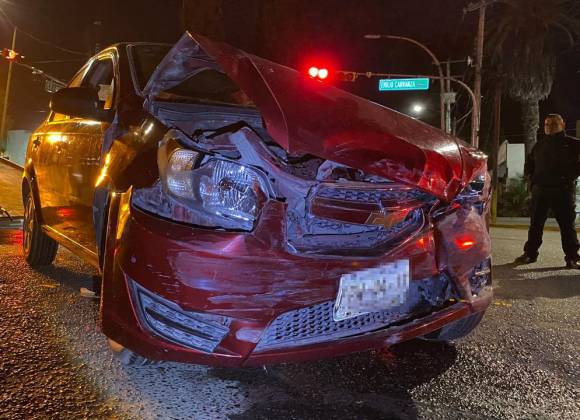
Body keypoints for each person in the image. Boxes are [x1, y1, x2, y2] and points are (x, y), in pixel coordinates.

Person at [515, 114, 580, 268]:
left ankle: (572, 258)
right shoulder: (539, 145)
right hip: (540, 191)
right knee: (535, 225)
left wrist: (570, 176)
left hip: (562, 191)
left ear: (562, 124)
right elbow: (530, 163)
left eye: (553, 123)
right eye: (546, 124)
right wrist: (532, 180)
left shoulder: (572, 143)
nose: (549, 126)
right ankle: (530, 254)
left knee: (567, 226)